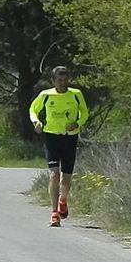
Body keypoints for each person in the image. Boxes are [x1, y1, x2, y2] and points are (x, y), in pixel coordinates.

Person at [29, 66, 89, 227]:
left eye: (65, 80)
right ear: (53, 81)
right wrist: (37, 122)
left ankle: (63, 200)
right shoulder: (46, 95)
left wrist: (77, 123)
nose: (62, 83)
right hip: (51, 137)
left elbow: (84, 113)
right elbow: (33, 110)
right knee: (54, 175)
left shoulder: (76, 95)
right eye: (59, 80)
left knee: (66, 177)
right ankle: (54, 213)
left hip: (70, 138)